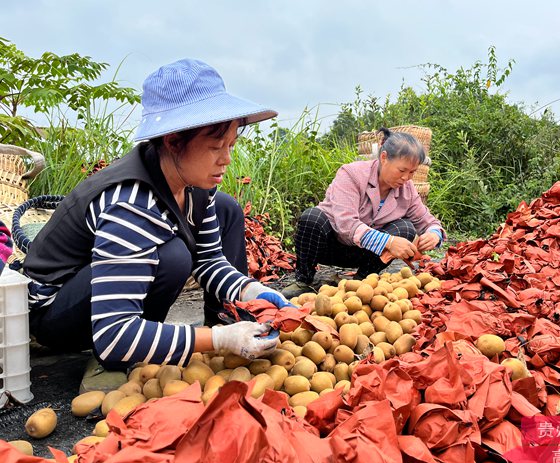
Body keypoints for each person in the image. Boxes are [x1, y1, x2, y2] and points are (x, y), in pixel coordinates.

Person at [22, 58, 293, 392]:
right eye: (214, 147)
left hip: (99, 299)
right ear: (173, 141)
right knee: (174, 256)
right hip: (59, 313)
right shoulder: (130, 203)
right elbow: (113, 333)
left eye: (230, 146)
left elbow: (209, 260)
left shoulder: (195, 187)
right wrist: (220, 339)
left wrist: (252, 291)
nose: (226, 159)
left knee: (223, 210)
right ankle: (111, 360)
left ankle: (147, 337)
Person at [282, 128, 445, 298]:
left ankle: (364, 280)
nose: (406, 178)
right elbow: (346, 225)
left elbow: (426, 220)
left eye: (412, 172)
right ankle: (304, 278)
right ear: (384, 158)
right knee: (312, 218)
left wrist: (434, 234)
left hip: (365, 254)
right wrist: (388, 242)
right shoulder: (351, 174)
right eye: (402, 170)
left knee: (405, 228)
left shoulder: (407, 189)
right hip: (330, 246)